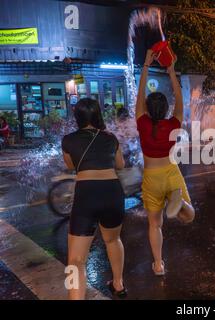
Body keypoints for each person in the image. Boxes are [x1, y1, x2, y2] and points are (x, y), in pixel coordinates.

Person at [135, 50, 195, 276]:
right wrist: (171, 72)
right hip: (171, 172)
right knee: (189, 217)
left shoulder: (141, 122)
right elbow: (181, 99)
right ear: (166, 108)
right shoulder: (173, 124)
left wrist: (145, 66)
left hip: (151, 177)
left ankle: (158, 264)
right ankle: (180, 205)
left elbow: (140, 95)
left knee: (154, 224)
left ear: (148, 109)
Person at [61, 98, 127, 299]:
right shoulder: (110, 138)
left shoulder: (68, 140)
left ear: (77, 117)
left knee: (76, 259)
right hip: (112, 191)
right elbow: (121, 164)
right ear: (98, 115)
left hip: (87, 193)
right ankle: (118, 284)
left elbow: (71, 166)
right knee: (113, 239)